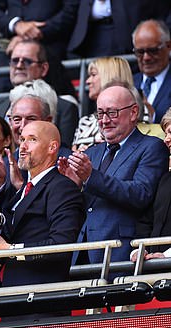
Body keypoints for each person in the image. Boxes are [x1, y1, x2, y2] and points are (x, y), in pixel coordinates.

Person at [58, 83, 169, 264]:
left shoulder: (151, 147)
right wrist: (73, 186)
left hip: (120, 253)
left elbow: (141, 194)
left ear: (133, 112)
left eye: (112, 113)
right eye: (100, 113)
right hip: (82, 251)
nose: (104, 120)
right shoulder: (92, 152)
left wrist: (90, 177)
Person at [0, 121, 85, 286]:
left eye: (32, 139)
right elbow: (9, 242)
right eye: (22, 139)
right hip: (12, 295)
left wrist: (10, 250)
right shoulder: (25, 190)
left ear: (52, 147)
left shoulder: (62, 187)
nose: (23, 147)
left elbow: (61, 245)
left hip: (41, 298)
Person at [0, 40, 79, 148]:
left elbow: (64, 151)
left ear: (43, 68)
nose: (19, 65)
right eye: (15, 60)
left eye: (26, 61)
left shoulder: (64, 108)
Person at [132, 107, 171, 261]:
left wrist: (167, 256)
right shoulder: (164, 179)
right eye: (166, 133)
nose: (166, 139)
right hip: (153, 271)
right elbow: (146, 221)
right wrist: (140, 250)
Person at [132, 20, 171, 123]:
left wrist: (153, 115)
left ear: (168, 46)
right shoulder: (129, 83)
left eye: (153, 51)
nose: (146, 57)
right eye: (140, 52)